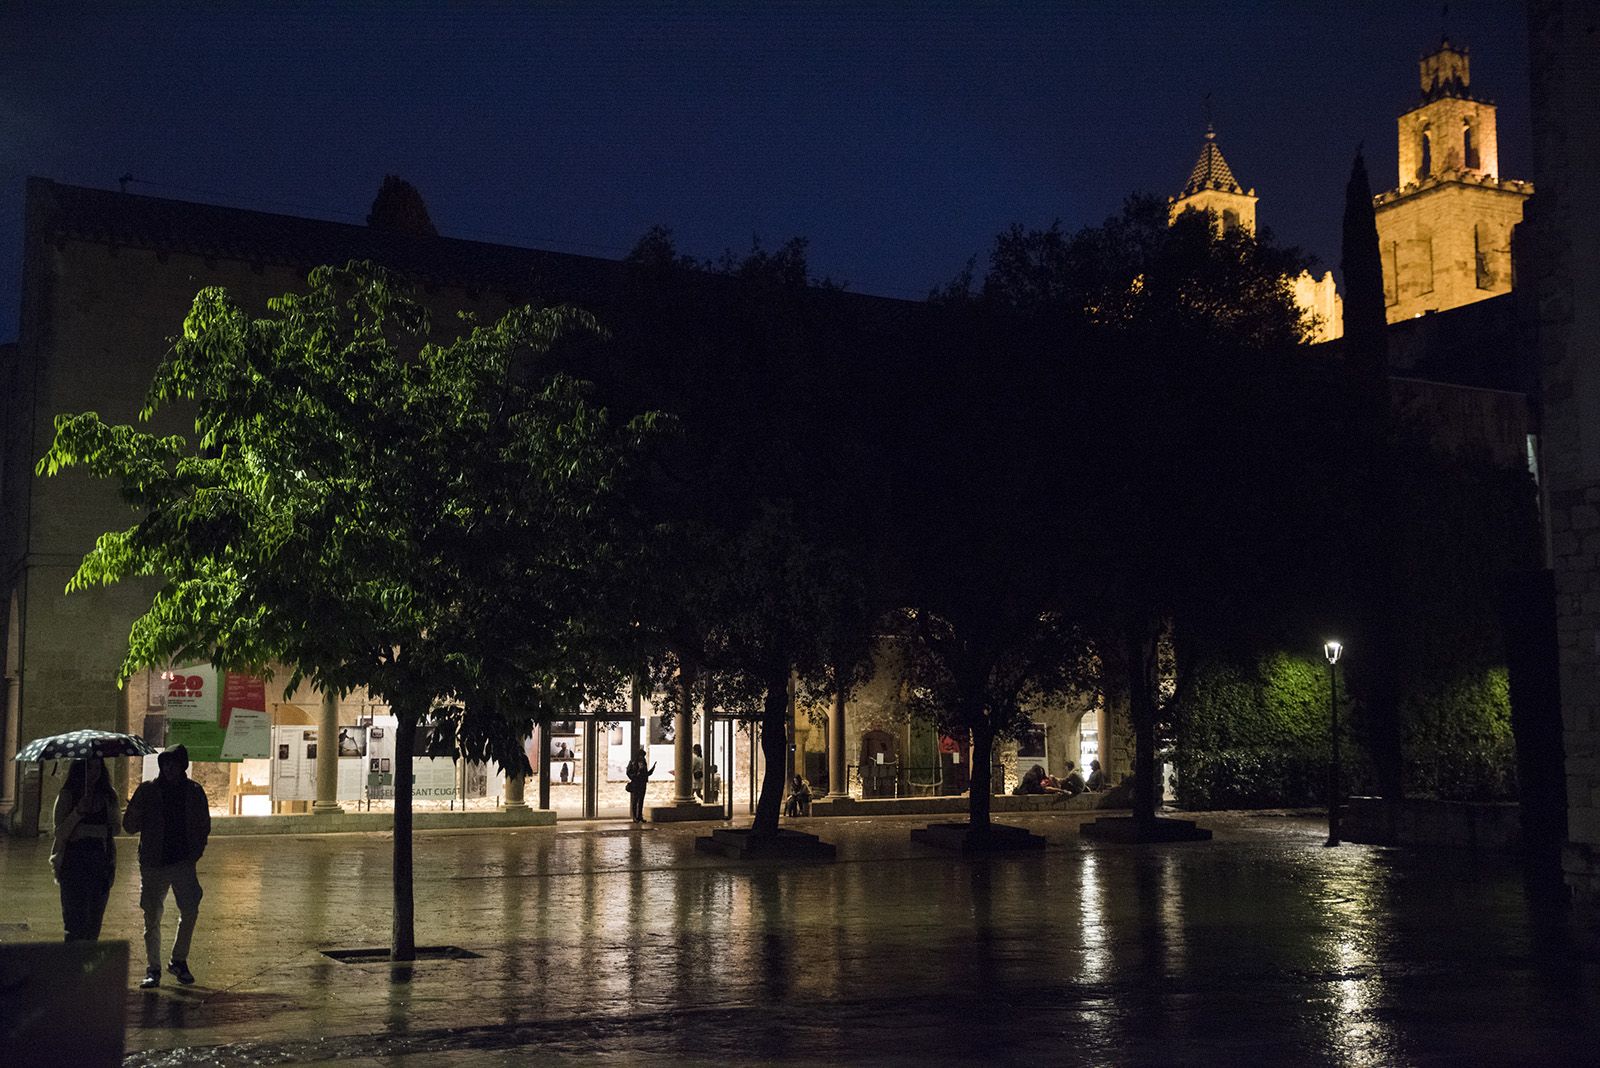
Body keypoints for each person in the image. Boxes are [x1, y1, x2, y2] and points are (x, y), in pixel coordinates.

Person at [123, 745, 210, 989]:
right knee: (152, 915)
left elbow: (203, 824)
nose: (169, 768)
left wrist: (195, 853)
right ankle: (153, 968)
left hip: (182, 861)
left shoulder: (193, 791)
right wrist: (137, 810)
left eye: (174, 764)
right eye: (165, 763)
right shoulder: (149, 790)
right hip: (154, 862)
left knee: (190, 909)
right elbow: (129, 825)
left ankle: (178, 960)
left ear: (182, 766)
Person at [52, 757, 120, 942]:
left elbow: (115, 828)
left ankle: (86, 967)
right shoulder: (67, 795)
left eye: (98, 767)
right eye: (89, 768)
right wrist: (78, 812)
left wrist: (85, 830)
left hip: (100, 866)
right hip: (73, 866)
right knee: (74, 925)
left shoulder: (108, 796)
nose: (94, 772)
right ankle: (72, 967)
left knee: (93, 925)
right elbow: (60, 832)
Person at [625, 749, 655, 823]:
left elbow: (645, 773)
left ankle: (640, 816)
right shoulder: (633, 762)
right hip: (636, 783)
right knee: (635, 800)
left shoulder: (644, 762)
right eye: (641, 755)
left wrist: (651, 771)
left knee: (641, 800)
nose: (643, 757)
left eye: (643, 756)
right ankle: (634, 817)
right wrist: (635, 776)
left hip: (642, 783)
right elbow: (628, 772)